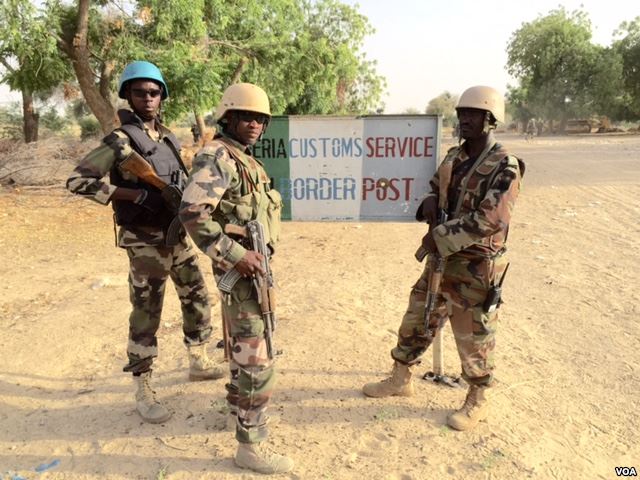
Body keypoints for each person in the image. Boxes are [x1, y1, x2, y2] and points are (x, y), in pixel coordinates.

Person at [66, 60, 224, 424]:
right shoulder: (119, 142)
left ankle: (198, 359)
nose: (148, 98)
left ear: (162, 96)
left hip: (175, 234)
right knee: (146, 312)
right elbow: (78, 181)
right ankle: (143, 384)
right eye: (140, 92)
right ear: (128, 96)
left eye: (154, 92)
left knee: (197, 297)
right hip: (144, 242)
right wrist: (130, 195)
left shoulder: (167, 137)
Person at [362, 86, 525, 431]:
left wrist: (439, 237)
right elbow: (436, 187)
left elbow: (492, 219)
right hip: (440, 262)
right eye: (462, 113)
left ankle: (477, 399)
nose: (464, 119)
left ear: (490, 119)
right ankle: (400, 379)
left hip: (475, 268)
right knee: (416, 318)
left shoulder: (504, 166)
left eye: (473, 115)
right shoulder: (453, 157)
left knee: (473, 337)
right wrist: (429, 201)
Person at [179, 83, 292, 474]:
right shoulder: (218, 156)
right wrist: (236, 255)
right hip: (241, 271)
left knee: (243, 349)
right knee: (258, 361)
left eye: (261, 119)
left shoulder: (246, 160)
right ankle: (251, 445)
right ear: (228, 117)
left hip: (253, 272)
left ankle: (235, 405)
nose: (255, 125)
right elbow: (193, 214)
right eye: (247, 117)